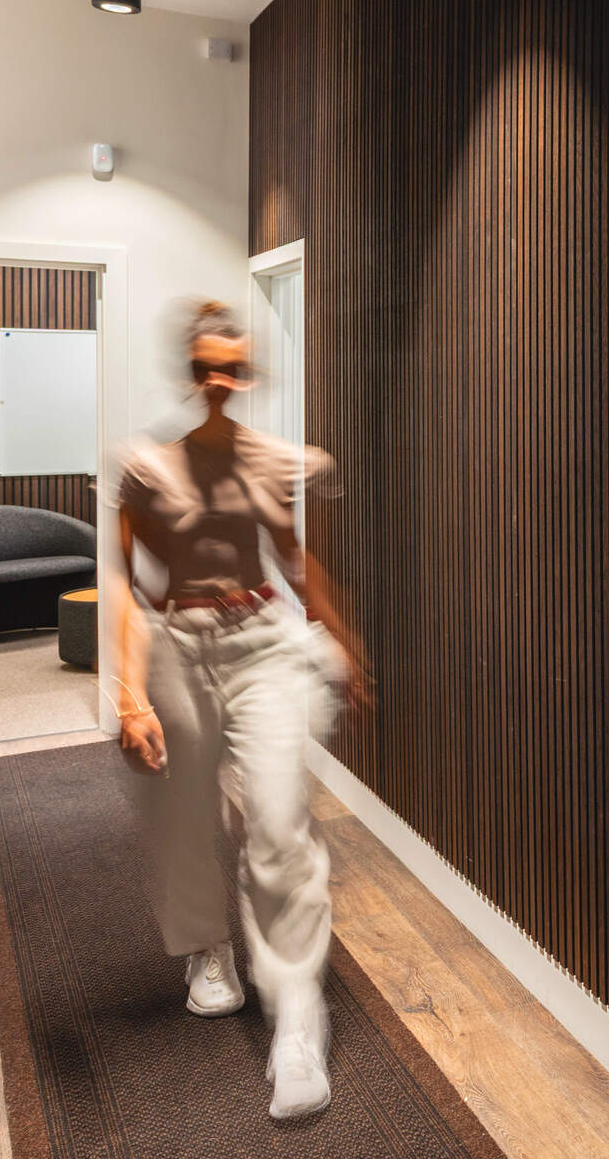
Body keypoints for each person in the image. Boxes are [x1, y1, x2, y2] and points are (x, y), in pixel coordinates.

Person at [103, 299, 369, 1121]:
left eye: (235, 367)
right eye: (206, 367)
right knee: (178, 809)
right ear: (189, 374)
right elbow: (127, 586)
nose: (221, 380)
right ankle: (205, 951)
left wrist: (340, 637)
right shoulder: (149, 468)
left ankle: (297, 1015)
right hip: (180, 643)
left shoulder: (269, 461)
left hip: (262, 643)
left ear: (247, 375)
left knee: (280, 819)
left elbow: (291, 558)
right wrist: (129, 691)